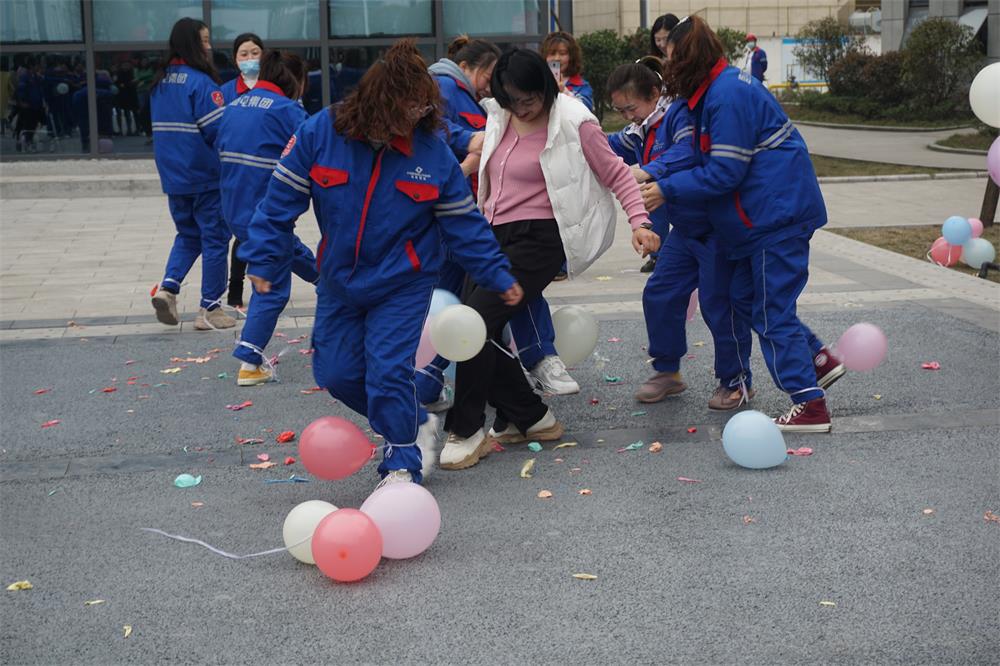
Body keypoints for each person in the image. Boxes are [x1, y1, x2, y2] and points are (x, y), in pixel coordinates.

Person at [239, 39, 523, 489]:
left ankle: (402, 461)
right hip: (339, 280)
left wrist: (496, 273)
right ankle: (414, 421)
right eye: (407, 108)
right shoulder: (320, 132)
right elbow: (276, 207)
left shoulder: (431, 152)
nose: (414, 118)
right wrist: (263, 259)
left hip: (403, 282)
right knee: (335, 374)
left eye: (422, 109)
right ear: (378, 101)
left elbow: (464, 224)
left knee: (388, 371)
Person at [440, 48, 659, 471]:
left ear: (544, 87)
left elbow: (615, 172)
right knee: (477, 327)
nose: (522, 108)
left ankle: (466, 430)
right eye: (512, 100)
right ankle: (528, 416)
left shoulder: (574, 121)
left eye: (529, 99)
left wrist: (640, 222)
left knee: (473, 323)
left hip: (539, 239)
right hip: (490, 236)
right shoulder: (499, 117)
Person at [643, 16, 844, 432]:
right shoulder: (716, 91)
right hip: (763, 216)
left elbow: (724, 172)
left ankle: (809, 404)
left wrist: (665, 188)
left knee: (771, 311)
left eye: (673, 59)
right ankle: (817, 360)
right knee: (745, 297)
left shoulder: (727, 95)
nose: (669, 69)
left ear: (690, 59)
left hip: (774, 217)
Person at [607, 57, 754, 410]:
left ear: (654, 94)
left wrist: (649, 172)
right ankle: (667, 371)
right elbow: (606, 146)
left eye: (631, 108)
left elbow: (687, 153)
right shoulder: (639, 129)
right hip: (684, 231)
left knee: (719, 305)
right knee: (660, 293)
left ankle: (736, 381)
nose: (628, 116)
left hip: (715, 228)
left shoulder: (679, 115)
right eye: (620, 111)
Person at [216, 50, 319, 386]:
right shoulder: (288, 110)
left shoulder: (234, 106)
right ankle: (249, 360)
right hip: (266, 211)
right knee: (272, 288)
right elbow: (316, 151)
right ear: (295, 80)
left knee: (286, 248)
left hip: (234, 206)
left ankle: (326, 281)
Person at [415, 36, 501, 409]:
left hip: (458, 210)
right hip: (454, 213)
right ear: (467, 67)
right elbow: (433, 129)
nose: (489, 86)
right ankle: (534, 359)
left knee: (449, 301)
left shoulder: (464, 93)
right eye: (488, 76)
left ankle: (426, 383)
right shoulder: (445, 85)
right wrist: (471, 142)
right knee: (497, 288)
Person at [149, 17, 235, 331]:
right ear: (191, 44)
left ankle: (169, 288)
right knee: (215, 239)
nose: (209, 47)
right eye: (205, 40)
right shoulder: (201, 84)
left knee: (188, 235)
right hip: (204, 176)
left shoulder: (159, 83)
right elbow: (220, 133)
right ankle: (210, 308)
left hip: (174, 177)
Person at [220, 33, 265, 309]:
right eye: (244, 54)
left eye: (255, 53)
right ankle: (236, 287)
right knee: (243, 230)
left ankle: (264, 282)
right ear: (235, 60)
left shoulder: (273, 89)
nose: (250, 59)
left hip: (265, 171)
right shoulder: (225, 92)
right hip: (236, 173)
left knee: (264, 228)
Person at [641, 12, 681, 273]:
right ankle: (657, 253)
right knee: (653, 200)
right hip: (654, 142)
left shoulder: (684, 70)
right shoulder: (651, 65)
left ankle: (674, 253)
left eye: (666, 39)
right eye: (658, 40)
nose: (662, 45)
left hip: (673, 144)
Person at [541, 31, 592, 112]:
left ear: (571, 57)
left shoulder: (582, 86)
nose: (557, 58)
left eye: (562, 53)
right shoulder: (538, 83)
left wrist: (564, 91)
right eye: (552, 54)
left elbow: (585, 109)